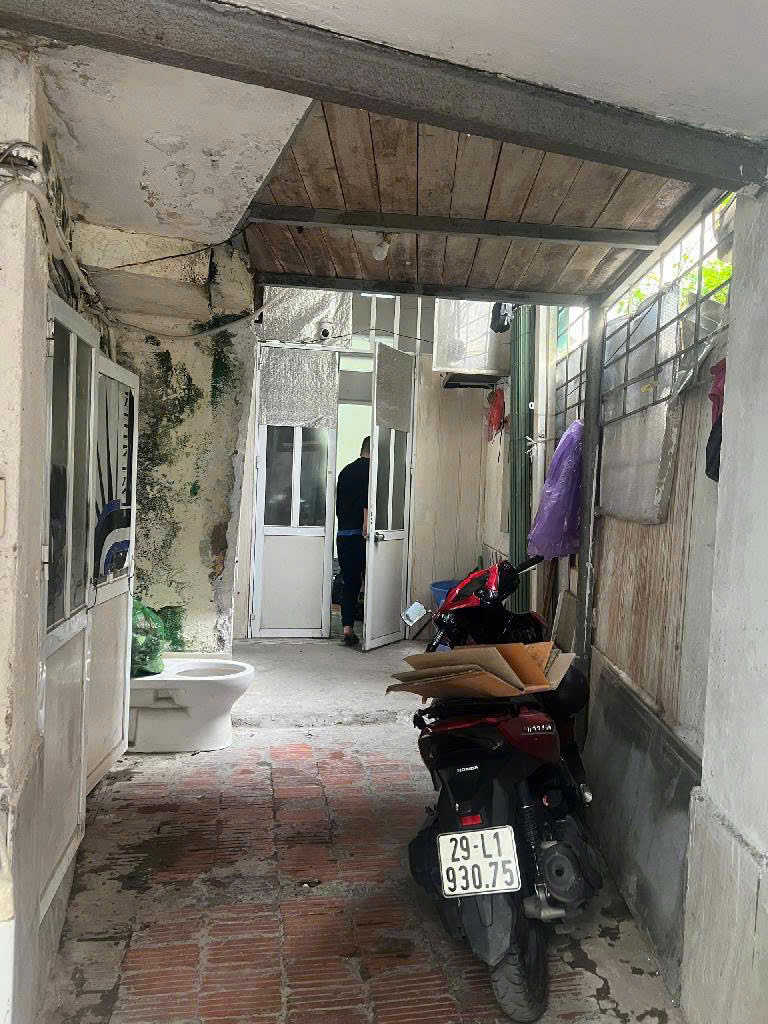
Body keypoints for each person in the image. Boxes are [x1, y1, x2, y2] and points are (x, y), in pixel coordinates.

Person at [336, 436, 370, 646]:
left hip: (343, 534)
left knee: (349, 582)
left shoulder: (345, 471)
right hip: (362, 535)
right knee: (372, 580)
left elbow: (338, 506)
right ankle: (375, 629)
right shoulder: (372, 471)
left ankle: (347, 628)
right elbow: (368, 500)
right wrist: (366, 524)